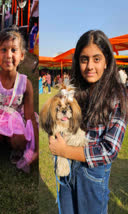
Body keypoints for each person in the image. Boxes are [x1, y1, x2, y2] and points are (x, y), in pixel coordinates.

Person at [49, 30, 128, 213]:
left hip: (93, 174)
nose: (90, 66)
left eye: (96, 59)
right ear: (78, 61)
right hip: (67, 167)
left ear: (107, 60)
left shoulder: (119, 95)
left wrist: (64, 150)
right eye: (84, 59)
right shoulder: (73, 90)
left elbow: (109, 150)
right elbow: (54, 120)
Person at [0, 26, 38, 170]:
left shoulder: (25, 83)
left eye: (13, 50)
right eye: (3, 50)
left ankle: (14, 147)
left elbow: (29, 116)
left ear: (22, 55)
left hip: (15, 118)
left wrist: (35, 148)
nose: (8, 55)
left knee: (19, 139)